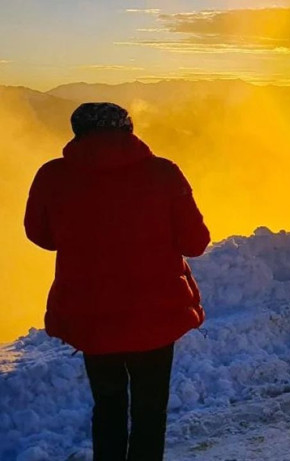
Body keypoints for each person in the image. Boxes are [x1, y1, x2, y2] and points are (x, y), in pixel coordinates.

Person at [24, 102, 210, 461]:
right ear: (128, 129)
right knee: (150, 410)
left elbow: (41, 235)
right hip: (156, 314)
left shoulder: (53, 175)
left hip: (91, 314)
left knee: (107, 407)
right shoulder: (163, 173)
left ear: (77, 131)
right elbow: (196, 243)